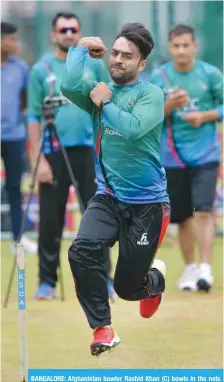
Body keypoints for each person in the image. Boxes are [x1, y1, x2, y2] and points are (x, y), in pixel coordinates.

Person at [61, 22, 170, 356]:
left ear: (142, 64)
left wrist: (106, 103)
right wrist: (79, 48)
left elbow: (134, 129)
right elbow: (68, 84)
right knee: (82, 250)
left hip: (148, 206)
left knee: (126, 288)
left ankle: (154, 281)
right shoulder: (98, 91)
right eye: (116, 53)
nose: (118, 60)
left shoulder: (151, 94)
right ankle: (103, 328)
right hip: (108, 197)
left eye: (128, 56)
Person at [27, 12, 115, 300]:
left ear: (79, 33)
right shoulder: (41, 69)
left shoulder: (95, 65)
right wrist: (37, 161)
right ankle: (47, 283)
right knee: (50, 220)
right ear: (53, 34)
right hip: (52, 152)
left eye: (73, 29)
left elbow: (107, 103)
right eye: (62, 29)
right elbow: (33, 117)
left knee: (98, 216)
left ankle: (106, 280)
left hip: (89, 152)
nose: (67, 33)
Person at [149, 24, 223, 292]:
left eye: (186, 45)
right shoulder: (159, 77)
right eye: (176, 46)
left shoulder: (209, 74)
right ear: (169, 48)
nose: (181, 50)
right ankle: (190, 269)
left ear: (195, 46)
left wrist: (204, 116)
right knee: (182, 217)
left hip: (205, 154)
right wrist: (169, 106)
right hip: (171, 158)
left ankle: (206, 267)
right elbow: (149, 115)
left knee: (204, 210)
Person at [1, 22, 37, 254]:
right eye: (11, 39)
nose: (16, 44)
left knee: (15, 189)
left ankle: (18, 240)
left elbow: (26, 100)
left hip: (13, 137)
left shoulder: (21, 68)